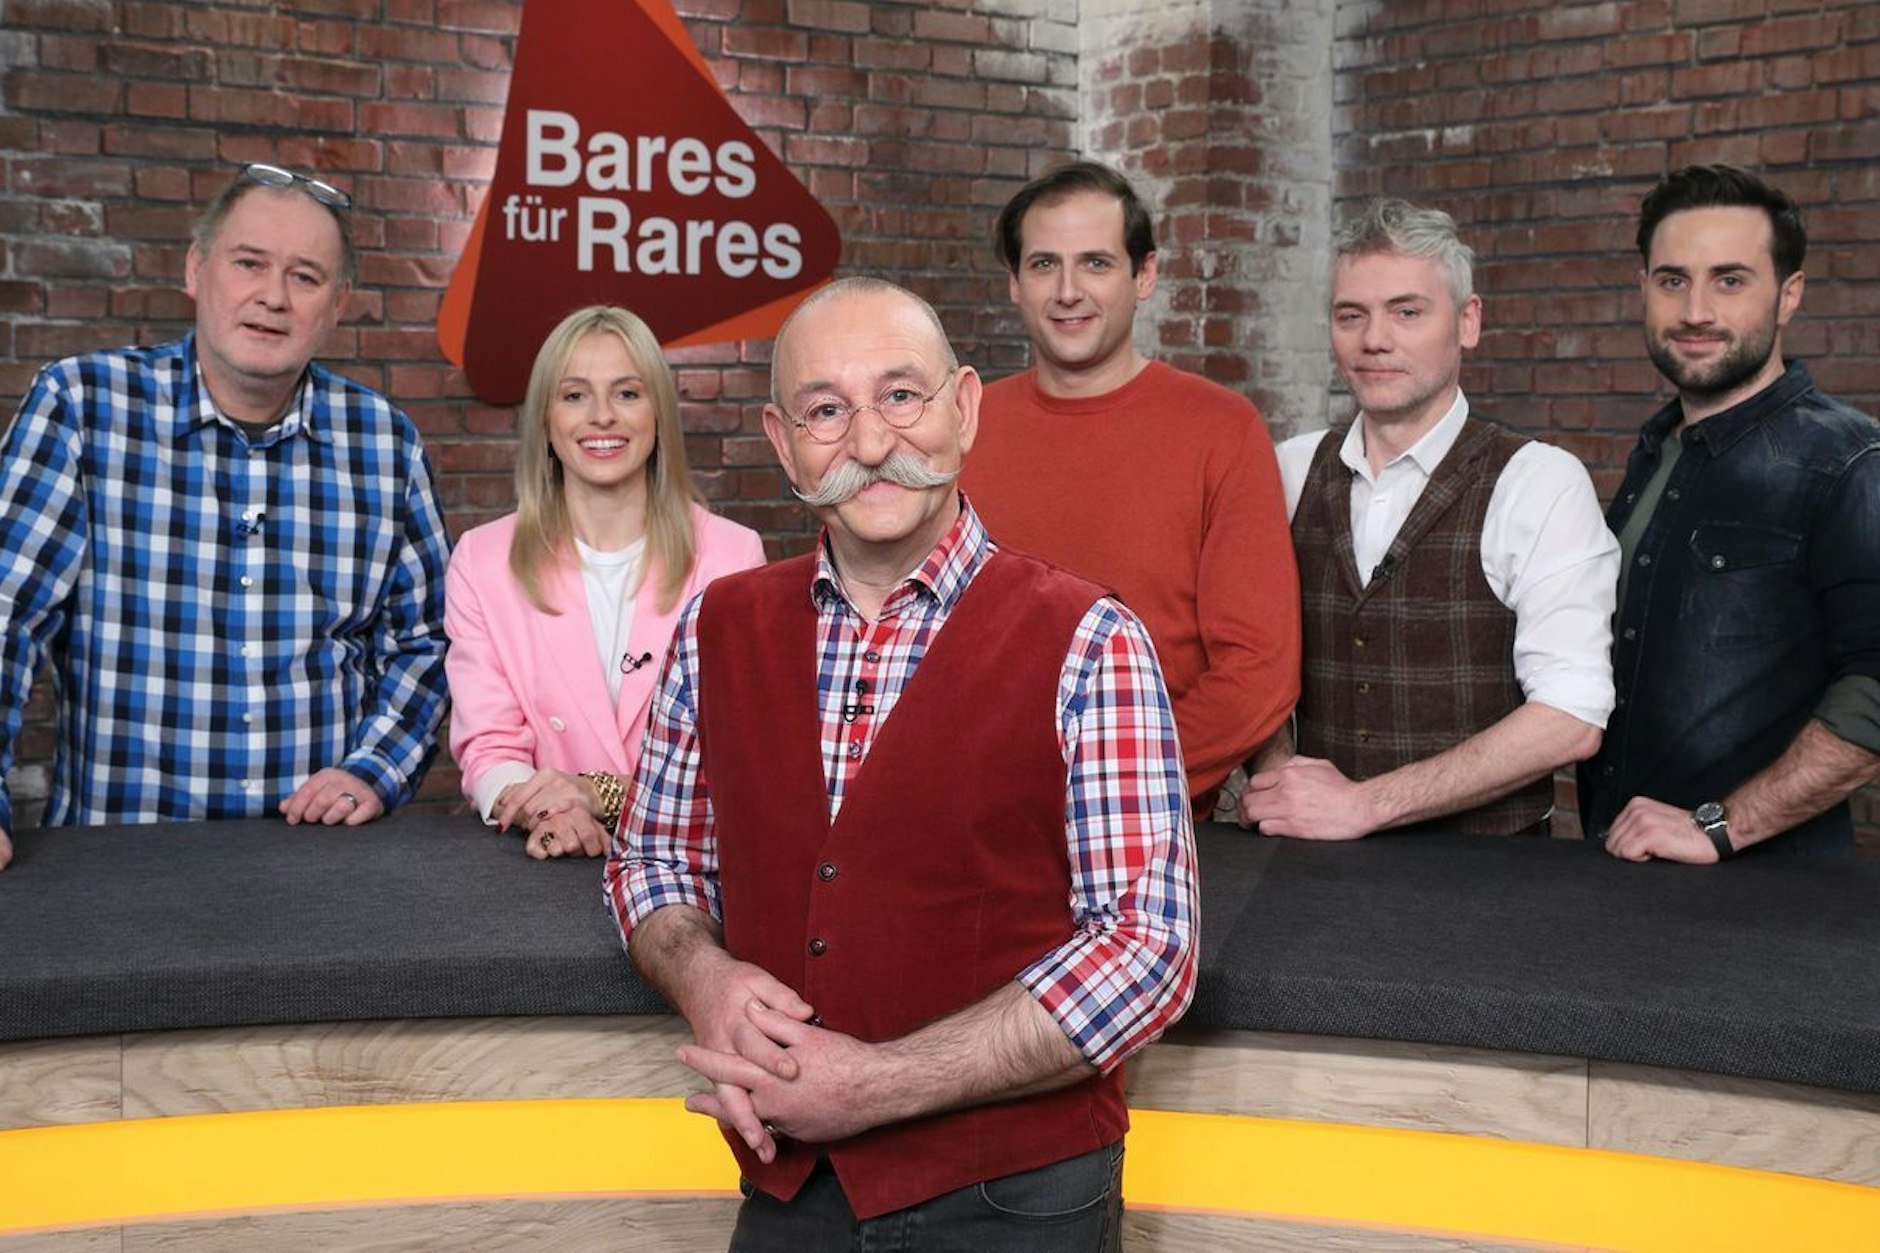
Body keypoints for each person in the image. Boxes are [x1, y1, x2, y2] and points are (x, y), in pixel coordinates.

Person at [604, 277, 1196, 1249]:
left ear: (963, 408)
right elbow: (653, 859)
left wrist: (877, 1083)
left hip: (1015, 1200)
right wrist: (703, 977)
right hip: (791, 1187)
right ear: (782, 440)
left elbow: (1146, 951)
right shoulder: (717, 627)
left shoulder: (1091, 639)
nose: (871, 442)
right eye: (826, 410)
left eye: (900, 396)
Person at [0, 162, 452, 872]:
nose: (273, 296)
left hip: (320, 863)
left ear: (337, 305)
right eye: (249, 263)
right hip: (115, 863)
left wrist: (376, 768)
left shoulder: (385, 444)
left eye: (305, 277)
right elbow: (6, 613)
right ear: (196, 269)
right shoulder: (83, 408)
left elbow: (425, 642)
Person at [1241, 199, 1618, 839]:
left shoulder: (1538, 482)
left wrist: (1365, 806)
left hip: (1487, 876)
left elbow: (1571, 715)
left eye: (1407, 312)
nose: (1374, 339)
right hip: (1311, 867)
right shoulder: (1290, 469)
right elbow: (1250, 655)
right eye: (1351, 315)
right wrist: (1279, 775)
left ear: (1468, 322)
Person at [960, 160, 1299, 816]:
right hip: (970, 810)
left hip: (1145, 819)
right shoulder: (959, 427)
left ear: (1144, 275)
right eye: (1043, 265)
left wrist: (1097, 786)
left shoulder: (1222, 429)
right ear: (1014, 283)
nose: (1068, 291)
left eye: (1096, 263)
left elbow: (1257, 674)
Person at [1581, 165, 1880, 861]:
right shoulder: (1657, 454)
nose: (1695, 311)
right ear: (1643, 288)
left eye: (1730, 280)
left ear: (1788, 295)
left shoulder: (1849, 461)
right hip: (1622, 876)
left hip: (1765, 899)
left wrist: (1724, 825)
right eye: (1673, 280)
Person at [444, 305, 765, 859]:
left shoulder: (733, 556)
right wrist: (553, 811)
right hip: (545, 860)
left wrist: (602, 795)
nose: (601, 416)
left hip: (688, 864)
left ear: (658, 413)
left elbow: (742, 754)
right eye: (574, 395)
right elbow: (489, 745)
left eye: (627, 393)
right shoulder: (482, 560)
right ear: (545, 420)